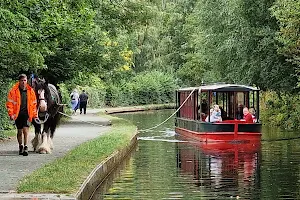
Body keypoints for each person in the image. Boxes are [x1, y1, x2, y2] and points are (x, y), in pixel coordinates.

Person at [6, 74, 38, 156]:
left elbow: (34, 104)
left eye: (25, 80)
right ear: (19, 81)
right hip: (17, 114)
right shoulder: (13, 91)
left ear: (27, 81)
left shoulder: (31, 91)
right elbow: (9, 103)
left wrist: (35, 115)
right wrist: (11, 114)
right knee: (19, 131)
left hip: (27, 113)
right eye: (22, 80)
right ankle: (20, 146)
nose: (23, 82)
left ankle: (26, 147)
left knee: (25, 130)